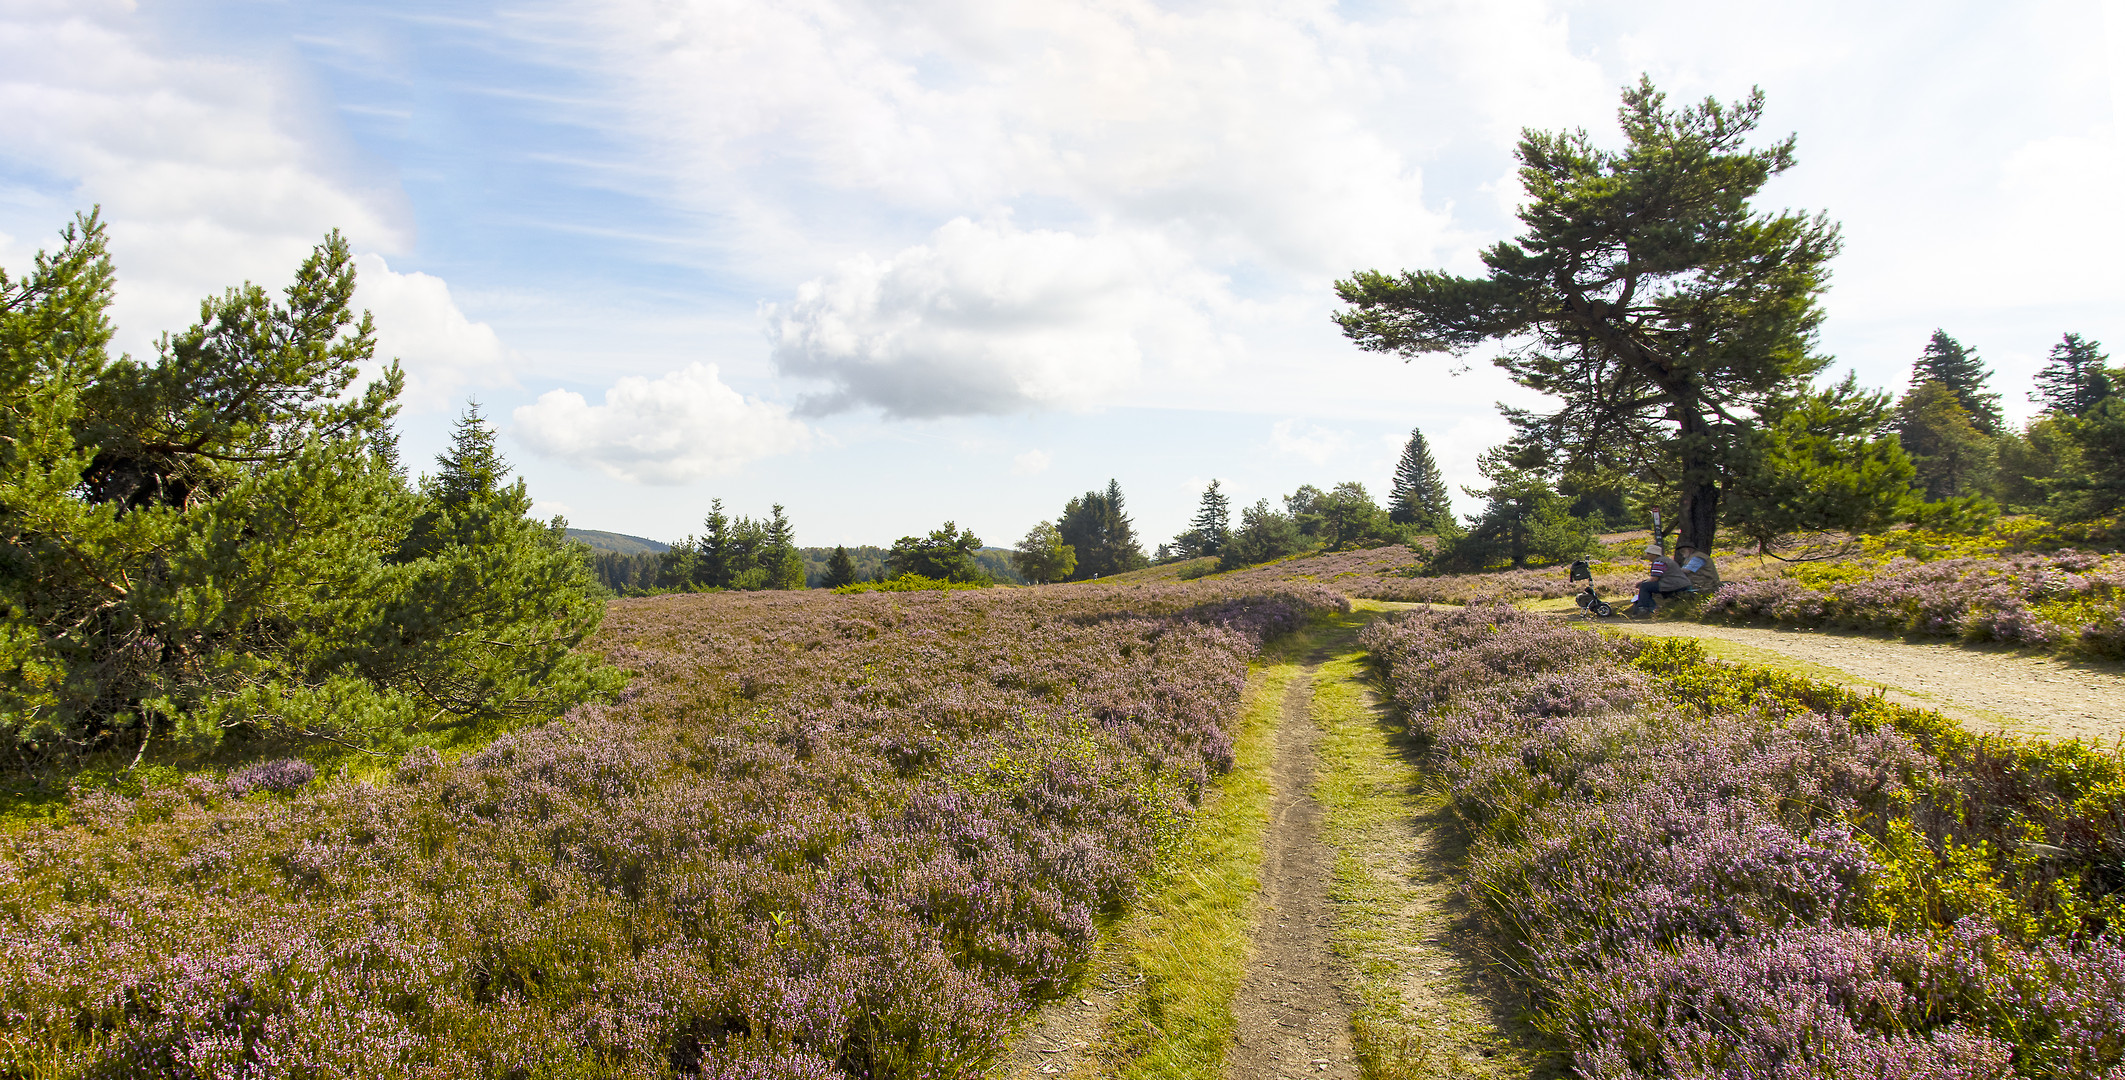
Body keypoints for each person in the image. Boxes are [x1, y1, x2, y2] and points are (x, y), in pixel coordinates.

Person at [1629, 542, 1692, 615]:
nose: (1647, 556)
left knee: (1645, 587)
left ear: (1654, 554)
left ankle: (1644, 609)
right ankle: (1652, 608)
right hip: (1682, 584)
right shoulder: (1666, 560)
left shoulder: (1659, 562)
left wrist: (1642, 583)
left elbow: (1654, 579)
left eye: (1648, 554)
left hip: (1674, 584)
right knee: (1646, 585)